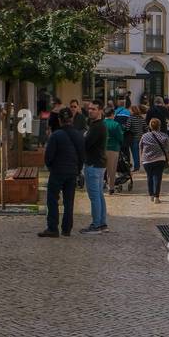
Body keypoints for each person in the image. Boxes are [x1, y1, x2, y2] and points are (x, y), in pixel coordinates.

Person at [39, 109, 82, 238]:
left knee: (52, 199)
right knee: (69, 201)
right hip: (72, 172)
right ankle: (67, 229)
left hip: (57, 171)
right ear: (72, 119)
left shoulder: (56, 135)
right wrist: (77, 169)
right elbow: (82, 155)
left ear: (59, 120)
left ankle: (53, 228)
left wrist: (51, 167)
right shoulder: (79, 135)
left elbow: (48, 156)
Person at [79, 102, 109, 234]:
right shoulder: (98, 125)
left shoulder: (97, 127)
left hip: (93, 164)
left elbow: (85, 143)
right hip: (99, 164)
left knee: (94, 196)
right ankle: (102, 223)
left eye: (94, 109)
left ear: (100, 111)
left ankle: (96, 225)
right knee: (99, 195)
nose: (90, 111)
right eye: (89, 109)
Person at [140, 117, 169, 203]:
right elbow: (168, 148)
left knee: (149, 177)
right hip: (159, 159)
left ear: (150, 126)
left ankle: (151, 195)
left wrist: (142, 157)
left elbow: (141, 146)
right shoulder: (164, 135)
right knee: (157, 178)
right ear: (159, 126)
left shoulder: (144, 136)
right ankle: (156, 197)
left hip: (147, 160)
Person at [102, 106, 124, 192]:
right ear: (112, 114)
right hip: (113, 149)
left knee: (100, 168)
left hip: (101, 148)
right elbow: (120, 137)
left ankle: (99, 185)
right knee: (111, 170)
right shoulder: (116, 124)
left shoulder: (101, 123)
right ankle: (111, 187)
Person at [125, 104, 147, 172]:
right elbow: (146, 128)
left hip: (133, 138)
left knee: (135, 153)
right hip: (141, 137)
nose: (129, 111)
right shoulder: (141, 118)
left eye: (130, 110)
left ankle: (136, 167)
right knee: (141, 153)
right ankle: (143, 165)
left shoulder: (130, 118)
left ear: (133, 111)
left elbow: (127, 128)